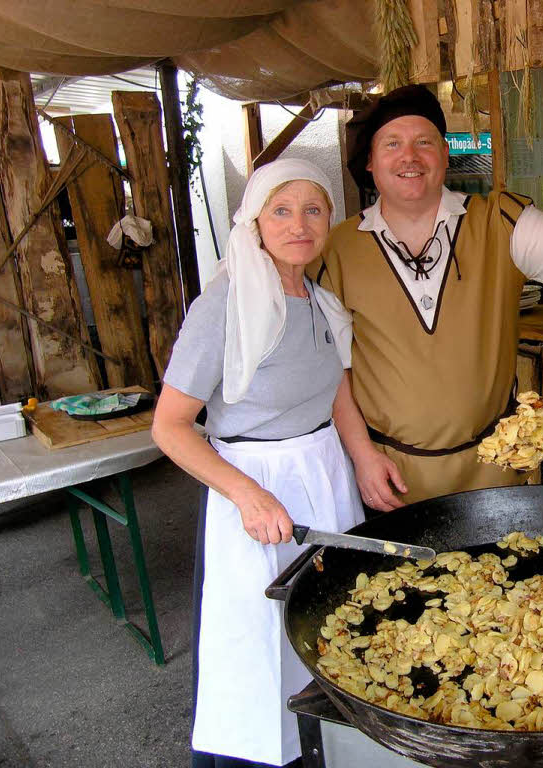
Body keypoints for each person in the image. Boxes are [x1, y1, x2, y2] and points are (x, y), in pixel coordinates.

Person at [311, 84, 543, 509]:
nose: (409, 156)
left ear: (444, 155)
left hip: (494, 471)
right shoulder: (335, 251)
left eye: (424, 142)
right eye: (392, 144)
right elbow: (331, 371)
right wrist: (361, 455)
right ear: (371, 163)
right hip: (390, 475)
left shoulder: (499, 222)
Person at [152, 159, 364, 768]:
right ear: (254, 221)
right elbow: (170, 427)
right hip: (254, 485)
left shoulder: (321, 303)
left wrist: (365, 457)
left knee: (331, 627)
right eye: (281, 209)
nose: (298, 224)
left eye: (313, 209)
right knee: (258, 644)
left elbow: (336, 391)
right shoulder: (224, 305)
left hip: (323, 478)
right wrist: (247, 494)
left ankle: (331, 752)